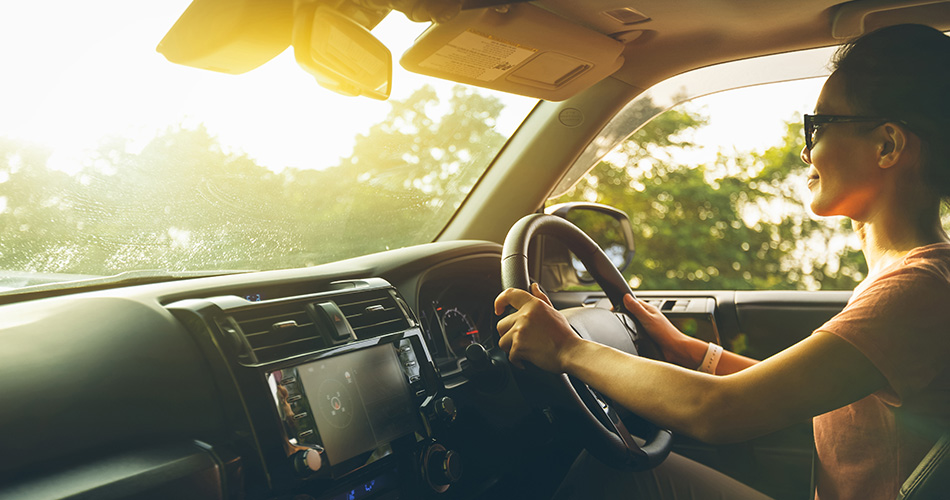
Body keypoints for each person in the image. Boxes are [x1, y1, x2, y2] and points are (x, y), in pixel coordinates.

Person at [494, 23, 950, 500]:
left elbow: (720, 412)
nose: (805, 150)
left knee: (616, 477)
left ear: (888, 146)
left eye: (818, 126)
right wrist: (688, 351)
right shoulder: (913, 279)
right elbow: (792, 396)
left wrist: (569, 349)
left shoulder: (917, 291)